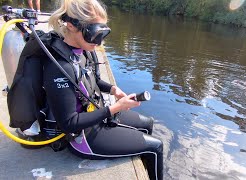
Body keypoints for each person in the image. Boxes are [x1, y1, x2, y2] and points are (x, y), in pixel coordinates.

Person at [27, 0, 162, 179]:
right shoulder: (59, 67)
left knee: (147, 124)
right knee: (156, 146)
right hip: (83, 136)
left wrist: (114, 89)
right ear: (71, 25)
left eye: (103, 33)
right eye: (94, 34)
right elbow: (69, 123)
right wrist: (115, 108)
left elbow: (95, 79)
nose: (99, 42)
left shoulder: (84, 49)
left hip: (96, 112)